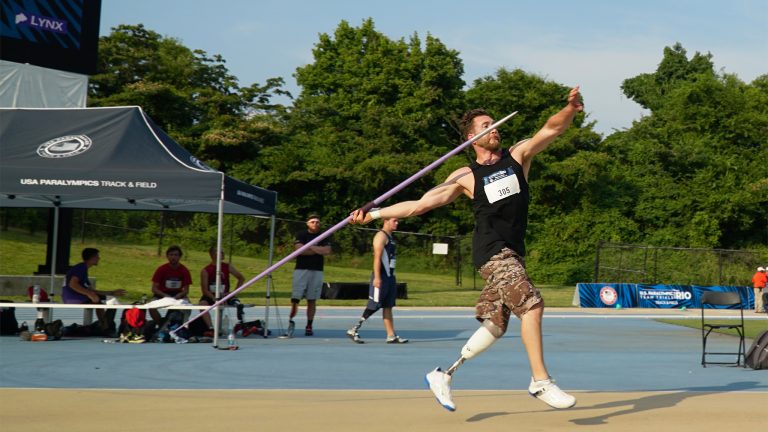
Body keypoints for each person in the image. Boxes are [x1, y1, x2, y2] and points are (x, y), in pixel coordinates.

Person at [350, 87, 584, 411]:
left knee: (496, 324)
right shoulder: (465, 176)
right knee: (532, 305)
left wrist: (570, 110)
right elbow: (419, 205)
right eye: (487, 125)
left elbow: (552, 128)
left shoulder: (517, 157)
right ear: (473, 138)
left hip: (513, 253)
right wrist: (374, 213)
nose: (495, 128)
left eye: (495, 123)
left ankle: (443, 375)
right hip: (493, 252)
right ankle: (540, 381)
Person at [346, 217, 408, 344]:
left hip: (390, 277)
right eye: (394, 220)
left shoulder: (390, 237)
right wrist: (378, 277)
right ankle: (354, 329)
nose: (397, 223)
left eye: (397, 221)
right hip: (381, 277)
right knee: (374, 305)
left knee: (388, 305)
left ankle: (391, 335)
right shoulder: (381, 236)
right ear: (386, 221)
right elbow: (377, 258)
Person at [62, 248, 125, 333]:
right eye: (97, 256)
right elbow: (72, 284)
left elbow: (91, 290)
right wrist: (89, 294)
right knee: (102, 301)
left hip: (74, 297)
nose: (99, 258)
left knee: (105, 298)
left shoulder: (83, 269)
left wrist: (112, 292)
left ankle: (105, 326)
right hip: (73, 298)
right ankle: (105, 328)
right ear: (92, 258)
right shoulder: (81, 268)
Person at [288, 214, 332, 337]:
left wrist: (310, 247)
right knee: (296, 298)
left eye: (317, 222)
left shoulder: (323, 235)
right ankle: (291, 321)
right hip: (301, 270)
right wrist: (317, 249)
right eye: (312, 222)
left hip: (317, 270)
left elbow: (327, 251)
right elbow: (299, 250)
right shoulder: (301, 234)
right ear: (307, 223)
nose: (315, 224)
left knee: (312, 299)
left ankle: (309, 325)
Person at [199, 246, 246, 333]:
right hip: (211, 295)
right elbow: (205, 290)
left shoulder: (227, 266)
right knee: (202, 304)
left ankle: (242, 324)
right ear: (213, 254)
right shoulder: (205, 270)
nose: (223, 254)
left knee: (237, 303)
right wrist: (215, 298)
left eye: (223, 252)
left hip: (225, 295)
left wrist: (233, 293)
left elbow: (241, 278)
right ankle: (211, 328)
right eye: (221, 252)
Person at [149, 245, 192, 322]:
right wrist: (165, 296)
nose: (173, 257)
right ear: (167, 256)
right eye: (171, 255)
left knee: (188, 306)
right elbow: (154, 288)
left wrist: (178, 296)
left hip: (178, 294)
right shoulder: (161, 269)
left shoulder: (184, 270)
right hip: (162, 294)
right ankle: (160, 323)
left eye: (176, 255)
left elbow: (186, 290)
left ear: (179, 257)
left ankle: (183, 325)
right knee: (151, 306)